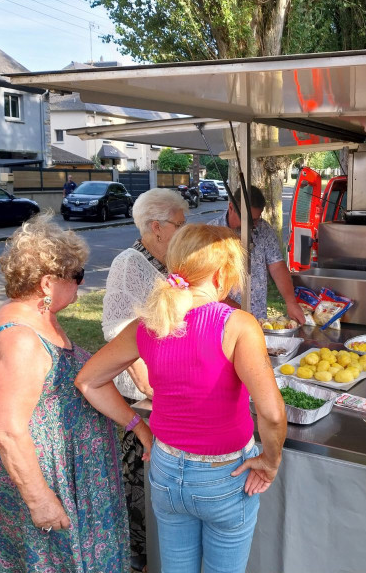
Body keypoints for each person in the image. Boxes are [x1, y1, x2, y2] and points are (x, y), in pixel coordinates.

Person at [76, 224, 287, 573]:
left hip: (165, 469)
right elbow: (272, 413)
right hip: (225, 474)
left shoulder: (147, 325)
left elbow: (88, 381)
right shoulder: (237, 325)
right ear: (221, 275)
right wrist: (270, 460)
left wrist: (139, 428)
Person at [0, 214, 128, 572]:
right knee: (54, 561)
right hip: (49, 476)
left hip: (73, 469)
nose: (80, 284)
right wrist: (40, 499)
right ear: (48, 283)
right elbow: (8, 430)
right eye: (76, 276)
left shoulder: (41, 316)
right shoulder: (19, 339)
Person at [101, 188, 188, 572]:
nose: (184, 233)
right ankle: (139, 551)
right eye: (179, 226)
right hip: (141, 388)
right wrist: (149, 388)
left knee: (154, 466)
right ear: (156, 227)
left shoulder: (164, 261)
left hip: (162, 382)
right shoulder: (129, 263)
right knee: (137, 468)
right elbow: (119, 329)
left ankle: (153, 543)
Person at [209, 186, 304, 323]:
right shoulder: (210, 234)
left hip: (258, 318)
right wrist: (240, 311)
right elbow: (207, 284)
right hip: (222, 320)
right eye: (247, 219)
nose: (252, 225)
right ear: (231, 208)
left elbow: (277, 266)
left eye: (255, 219)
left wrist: (291, 302)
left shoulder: (263, 229)